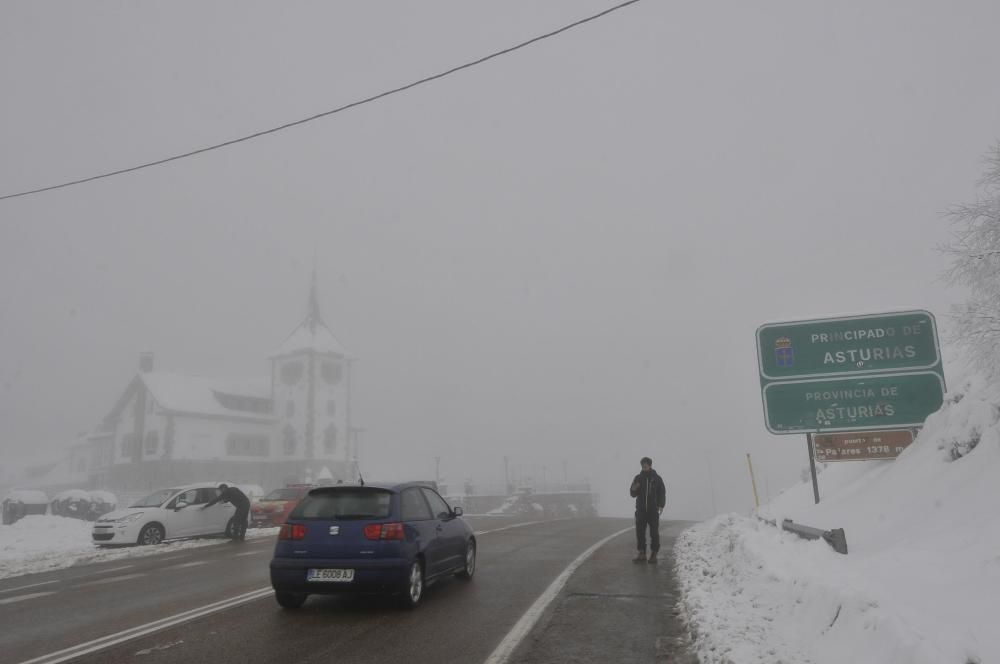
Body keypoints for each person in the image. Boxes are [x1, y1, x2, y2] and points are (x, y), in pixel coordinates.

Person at [629, 456, 666, 564]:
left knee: (654, 533)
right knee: (640, 532)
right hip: (640, 510)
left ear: (650, 465)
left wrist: (661, 505)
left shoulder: (657, 478)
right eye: (642, 465)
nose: (644, 466)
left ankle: (654, 554)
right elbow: (632, 494)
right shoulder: (638, 478)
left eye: (646, 464)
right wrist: (633, 489)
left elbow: (662, 492)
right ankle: (642, 553)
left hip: (653, 511)